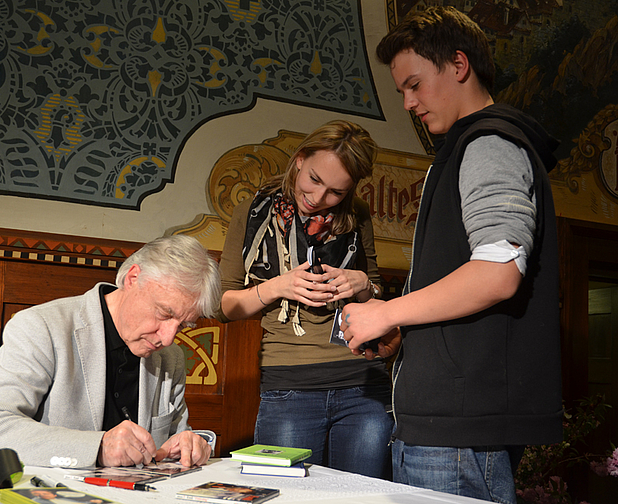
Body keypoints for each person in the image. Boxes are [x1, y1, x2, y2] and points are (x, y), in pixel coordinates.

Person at [340, 6, 563, 502]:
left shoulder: (488, 144)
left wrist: (386, 312)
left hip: (459, 433)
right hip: (449, 427)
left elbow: (497, 273)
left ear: (458, 65)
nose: (407, 103)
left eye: (414, 84)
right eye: (401, 90)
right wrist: (407, 333)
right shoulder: (469, 146)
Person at [219, 120, 399, 478]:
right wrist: (278, 286)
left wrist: (361, 283)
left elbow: (376, 292)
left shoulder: (356, 215)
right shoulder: (252, 212)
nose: (318, 198)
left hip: (364, 385)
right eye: (315, 180)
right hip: (290, 386)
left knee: (362, 503)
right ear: (300, 159)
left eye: (335, 192)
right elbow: (222, 305)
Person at [0, 235, 221, 469]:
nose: (168, 337)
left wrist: (189, 444)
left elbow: (173, 442)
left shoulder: (171, 358)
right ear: (133, 278)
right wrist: (97, 447)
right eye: (164, 313)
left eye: (183, 325)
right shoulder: (42, 328)